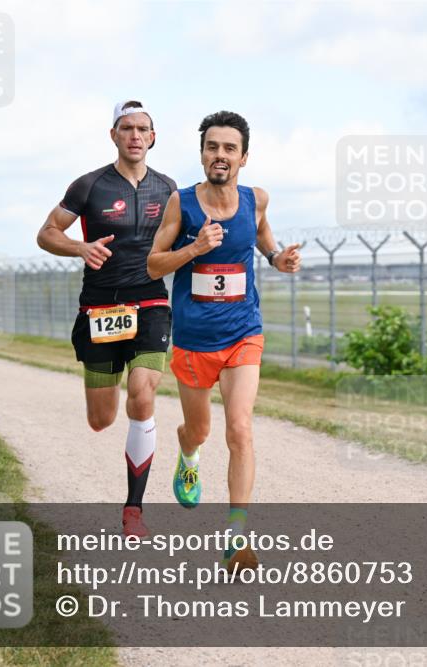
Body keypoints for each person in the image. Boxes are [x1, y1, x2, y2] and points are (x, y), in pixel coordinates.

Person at [147, 110, 300, 571]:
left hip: (242, 333)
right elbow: (154, 265)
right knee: (202, 430)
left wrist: (277, 258)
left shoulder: (257, 200)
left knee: (240, 428)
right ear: (202, 154)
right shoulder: (182, 204)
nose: (220, 155)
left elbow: (263, 239)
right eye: (212, 146)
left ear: (244, 157)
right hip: (195, 339)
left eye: (229, 148)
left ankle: (236, 536)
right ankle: (188, 450)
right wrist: (194, 248)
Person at [37, 100, 176, 538]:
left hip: (151, 302)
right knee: (102, 419)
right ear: (113, 135)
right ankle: (109, 400)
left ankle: (134, 509)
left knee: (143, 393)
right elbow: (46, 233)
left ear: (153, 137)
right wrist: (80, 247)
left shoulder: (169, 189)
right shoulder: (89, 185)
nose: (135, 135)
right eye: (126, 128)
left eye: (143, 128)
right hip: (100, 307)